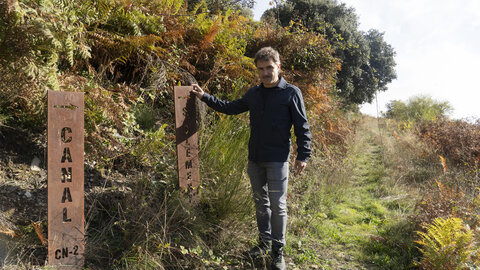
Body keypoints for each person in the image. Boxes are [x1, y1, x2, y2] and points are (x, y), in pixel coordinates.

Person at [191, 47, 311, 270]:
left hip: (277, 159)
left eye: (269, 68)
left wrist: (303, 154)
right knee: (260, 203)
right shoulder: (254, 94)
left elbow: (302, 126)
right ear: (257, 70)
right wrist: (204, 97)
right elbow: (230, 107)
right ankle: (263, 243)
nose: (265, 73)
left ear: (278, 67)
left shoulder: (291, 93)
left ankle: (278, 251)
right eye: (261, 69)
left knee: (278, 205)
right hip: (254, 158)